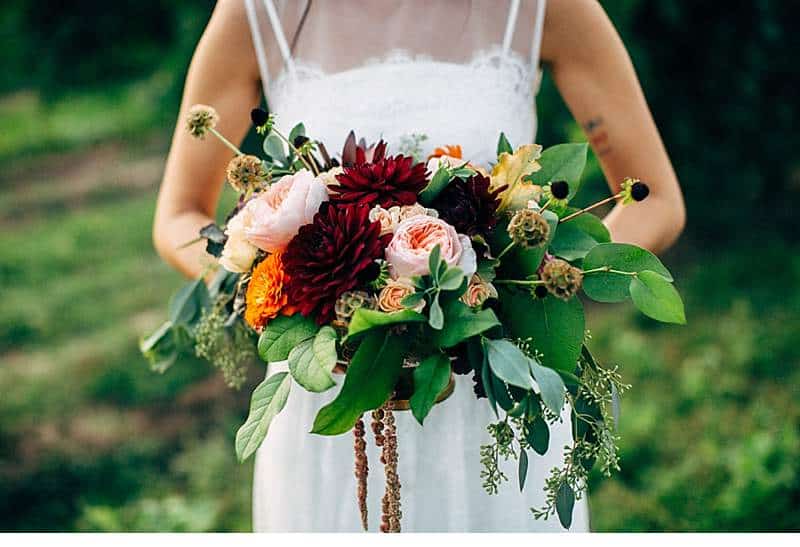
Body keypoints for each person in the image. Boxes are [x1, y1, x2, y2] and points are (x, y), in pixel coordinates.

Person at [153, 0, 685, 532]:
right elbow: (179, 217)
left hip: (493, 394)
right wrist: (274, 283)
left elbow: (654, 197)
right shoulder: (258, 12)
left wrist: (533, 282)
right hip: (331, 403)